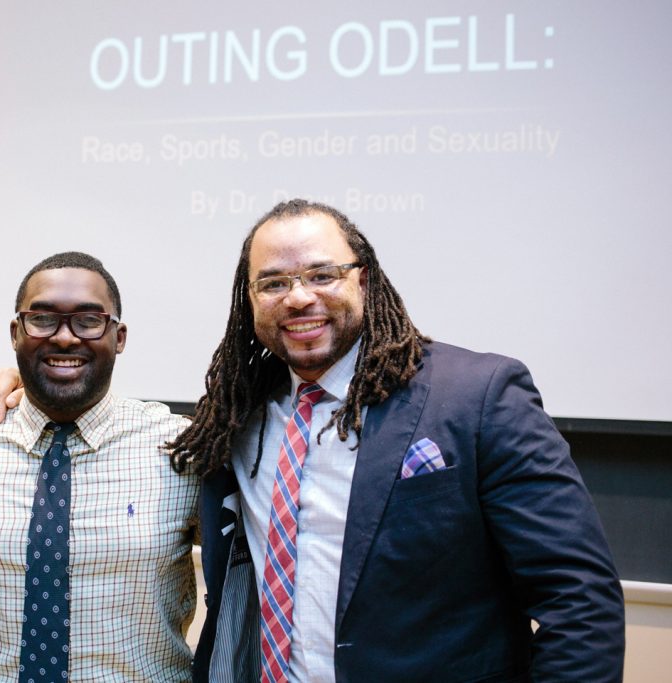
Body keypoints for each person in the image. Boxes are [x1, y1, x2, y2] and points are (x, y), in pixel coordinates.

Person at [163, 199, 625, 682]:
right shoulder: (236, 417)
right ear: (250, 299)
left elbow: (579, 599)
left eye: (322, 275)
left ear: (363, 280)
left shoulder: (478, 395)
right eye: (274, 283)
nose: (298, 298)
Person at [0, 251, 199, 681]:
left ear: (118, 337)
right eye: (43, 319)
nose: (65, 338)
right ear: (16, 333)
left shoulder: (182, 452)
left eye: (88, 320)